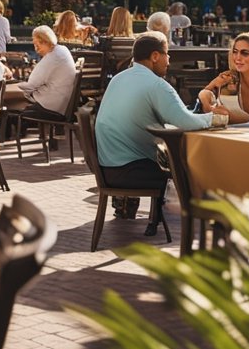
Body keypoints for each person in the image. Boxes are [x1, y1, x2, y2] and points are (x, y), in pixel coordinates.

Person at [96, 32, 227, 233]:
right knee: (191, 171)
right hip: (132, 172)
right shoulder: (156, 85)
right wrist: (221, 118)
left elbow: (179, 115)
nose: (169, 60)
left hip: (107, 169)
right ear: (155, 56)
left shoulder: (118, 79)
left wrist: (200, 107)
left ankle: (158, 221)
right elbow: (186, 122)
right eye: (167, 54)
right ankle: (207, 229)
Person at [198, 32, 249, 123]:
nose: (237, 58)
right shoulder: (227, 79)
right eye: (235, 52)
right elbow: (203, 96)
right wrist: (209, 106)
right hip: (229, 135)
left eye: (245, 53)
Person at [17, 26, 77, 126]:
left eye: (37, 45)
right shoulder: (62, 50)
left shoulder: (52, 57)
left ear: (46, 41)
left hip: (52, 107)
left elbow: (31, 84)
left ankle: (3, 138)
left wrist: (13, 86)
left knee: (12, 108)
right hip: (62, 104)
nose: (36, 49)